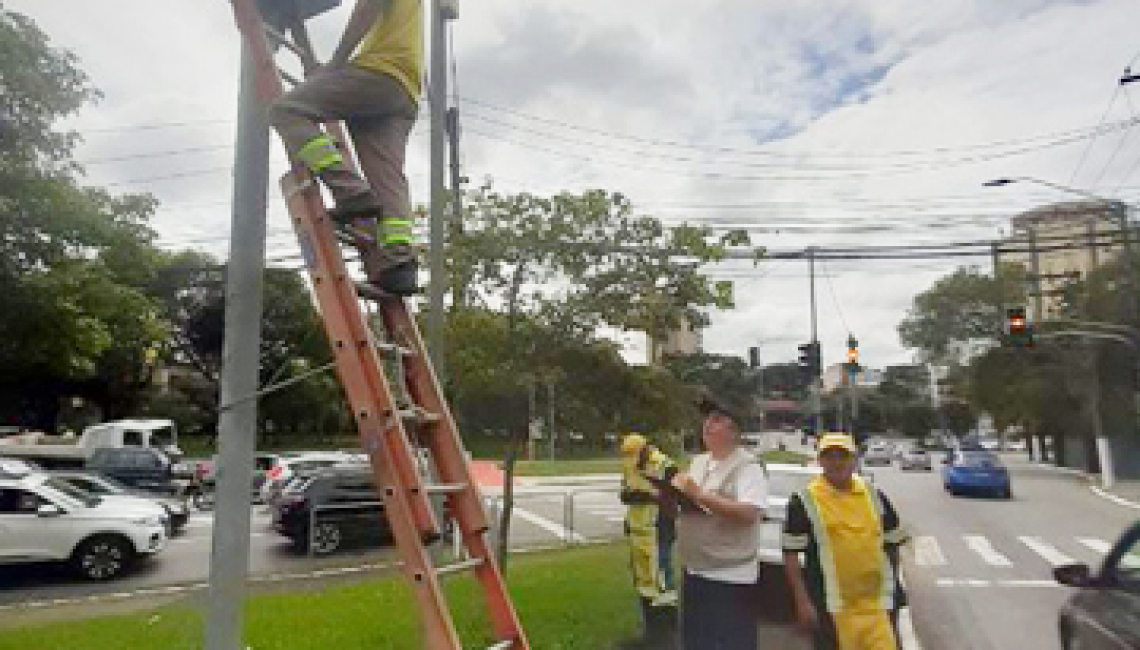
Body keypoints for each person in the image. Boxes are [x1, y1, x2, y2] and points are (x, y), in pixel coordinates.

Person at [268, 0, 421, 296]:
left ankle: (350, 191)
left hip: (379, 71)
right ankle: (399, 266)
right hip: (405, 89)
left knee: (286, 110)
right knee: (387, 178)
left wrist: (336, 64)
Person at [782, 433, 909, 650]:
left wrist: (894, 593)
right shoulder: (804, 501)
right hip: (832, 609)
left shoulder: (874, 495)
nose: (836, 462)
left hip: (877, 608)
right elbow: (791, 555)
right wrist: (802, 602)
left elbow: (893, 545)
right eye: (829, 456)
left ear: (854, 460)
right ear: (820, 461)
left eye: (842, 456)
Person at [672, 396, 768, 650]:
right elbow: (692, 505)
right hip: (695, 569)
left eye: (717, 420)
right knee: (696, 642)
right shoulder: (699, 462)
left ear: (734, 430)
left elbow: (749, 513)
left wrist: (698, 495)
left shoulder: (748, 467)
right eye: (707, 419)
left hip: (730, 576)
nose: (708, 425)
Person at [620, 433, 679, 646]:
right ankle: (651, 633)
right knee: (644, 584)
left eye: (634, 455)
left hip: (657, 530)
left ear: (645, 451)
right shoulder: (630, 464)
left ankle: (667, 636)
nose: (630, 461)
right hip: (638, 532)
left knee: (661, 583)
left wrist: (653, 496)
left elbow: (676, 492)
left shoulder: (663, 464)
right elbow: (625, 494)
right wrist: (644, 495)